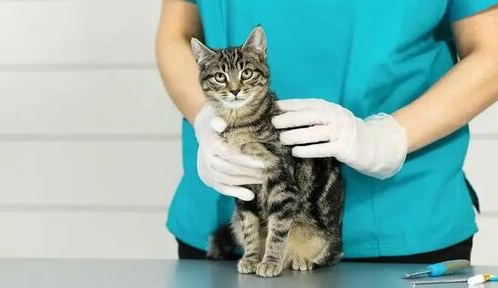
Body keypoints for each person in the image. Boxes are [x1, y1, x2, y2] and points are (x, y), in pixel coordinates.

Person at [156, 0, 498, 263]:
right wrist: (206, 118)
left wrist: (389, 138)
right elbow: (176, 34)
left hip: (401, 216)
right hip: (235, 211)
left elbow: (491, 51)